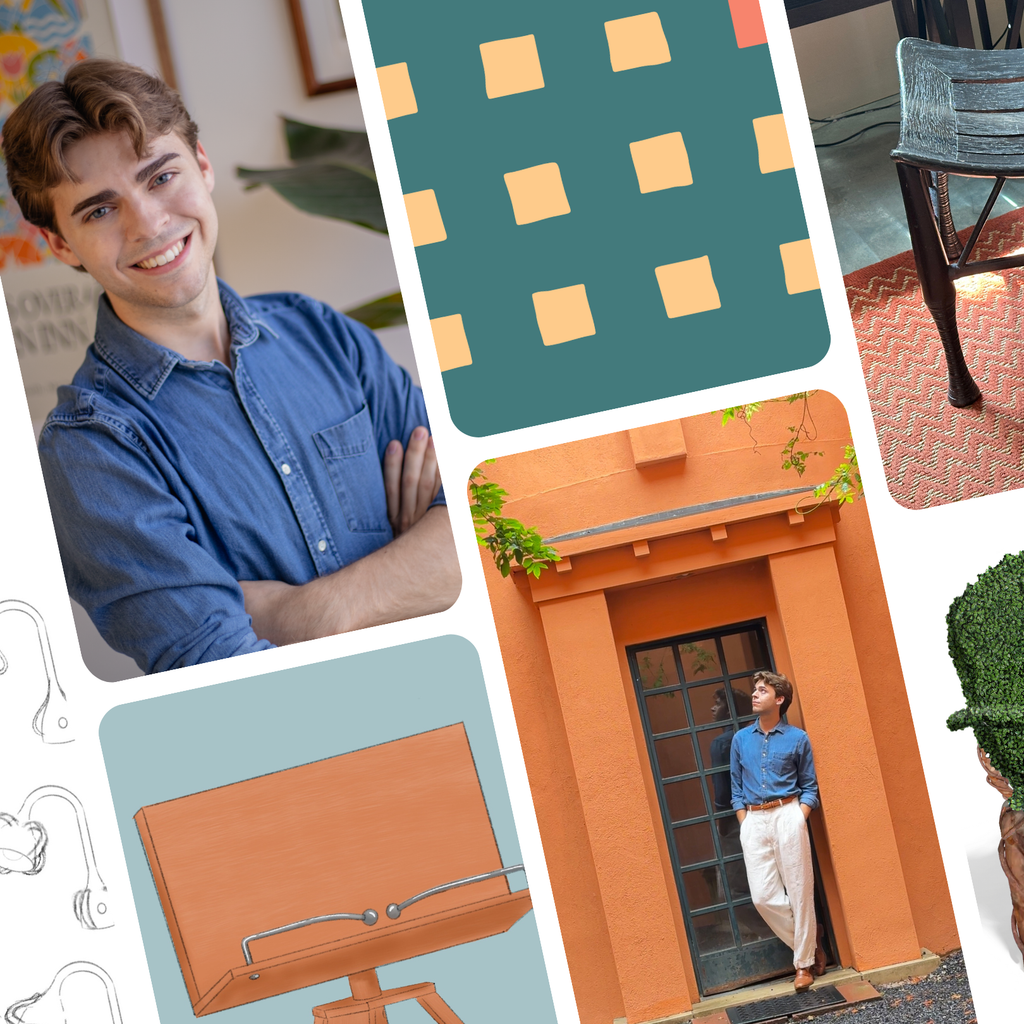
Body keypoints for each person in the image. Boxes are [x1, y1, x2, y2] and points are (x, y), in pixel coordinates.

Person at [1, 59, 461, 673]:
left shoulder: (322, 332)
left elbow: (485, 518)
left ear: (203, 164)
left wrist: (303, 615)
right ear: (61, 243)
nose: (149, 224)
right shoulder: (90, 449)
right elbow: (228, 673)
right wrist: (412, 567)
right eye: (99, 211)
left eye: (161, 176)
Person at [730, 671, 825, 992]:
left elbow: (809, 786)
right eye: (755, 690)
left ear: (779, 699)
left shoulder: (798, 738)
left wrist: (799, 816)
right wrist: (744, 819)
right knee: (762, 897)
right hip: (754, 819)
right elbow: (735, 787)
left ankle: (803, 965)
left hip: (788, 813)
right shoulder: (740, 739)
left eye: (762, 690)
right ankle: (810, 940)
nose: (754, 695)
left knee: (800, 890)